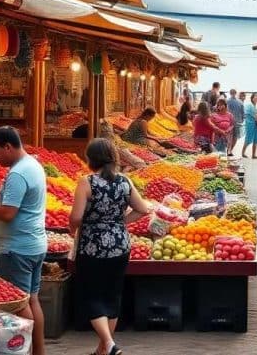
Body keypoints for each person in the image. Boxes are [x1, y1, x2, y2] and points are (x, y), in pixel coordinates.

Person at [70, 138, 153, 355]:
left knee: (91, 295)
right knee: (112, 294)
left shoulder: (86, 182)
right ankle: (102, 350)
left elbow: (76, 217)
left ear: (91, 159)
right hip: (120, 246)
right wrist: (119, 222)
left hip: (92, 247)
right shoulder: (124, 181)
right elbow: (143, 209)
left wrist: (73, 229)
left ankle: (108, 344)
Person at [0, 126, 48, 355]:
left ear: (8, 146)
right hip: (34, 244)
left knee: (18, 304)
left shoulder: (17, 173)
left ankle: (23, 350)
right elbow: (13, 201)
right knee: (32, 300)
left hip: (18, 249)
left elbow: (7, 213)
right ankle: (39, 352)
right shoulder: (32, 165)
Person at [241, 93, 257, 159]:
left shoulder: (256, 106)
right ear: (252, 98)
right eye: (255, 97)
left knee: (256, 139)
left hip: (256, 125)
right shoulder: (249, 106)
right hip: (250, 125)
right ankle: (243, 153)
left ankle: (253, 155)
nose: (256, 99)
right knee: (248, 139)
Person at [227, 90, 245, 157]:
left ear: (230, 93)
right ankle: (230, 150)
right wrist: (242, 120)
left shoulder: (227, 101)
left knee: (229, 137)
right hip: (237, 122)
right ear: (235, 93)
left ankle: (227, 150)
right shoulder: (240, 102)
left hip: (228, 122)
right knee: (235, 137)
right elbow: (243, 113)